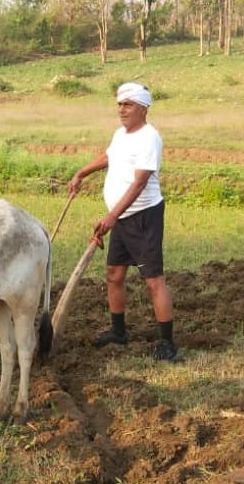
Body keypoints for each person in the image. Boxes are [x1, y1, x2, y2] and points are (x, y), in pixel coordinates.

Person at [66, 82, 178, 361]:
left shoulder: (149, 138)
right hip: (121, 217)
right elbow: (109, 156)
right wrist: (81, 173)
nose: (121, 110)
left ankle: (167, 343)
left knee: (153, 280)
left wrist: (111, 216)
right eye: (119, 104)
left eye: (128, 105)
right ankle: (118, 332)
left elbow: (140, 183)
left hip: (143, 217)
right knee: (114, 274)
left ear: (143, 108)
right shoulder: (121, 135)